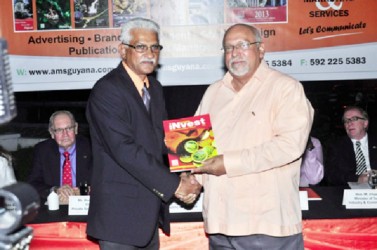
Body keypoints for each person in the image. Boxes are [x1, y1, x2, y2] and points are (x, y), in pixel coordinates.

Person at [191, 23, 313, 249]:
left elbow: (289, 146)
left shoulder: (286, 88)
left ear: (261, 50)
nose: (235, 53)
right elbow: (199, 148)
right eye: (228, 48)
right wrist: (191, 178)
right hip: (220, 225)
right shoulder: (213, 92)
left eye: (242, 45)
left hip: (266, 227)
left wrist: (228, 163)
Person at [85, 17, 201, 249]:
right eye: (140, 47)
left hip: (148, 216)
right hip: (120, 218)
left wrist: (193, 168)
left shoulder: (154, 88)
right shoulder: (108, 89)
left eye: (154, 47)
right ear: (122, 50)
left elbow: (163, 141)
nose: (149, 53)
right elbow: (124, 150)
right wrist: (176, 185)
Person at [28, 110, 92, 203]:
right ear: (52, 133)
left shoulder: (92, 148)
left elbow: (105, 181)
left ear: (76, 128)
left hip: (85, 206)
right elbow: (32, 184)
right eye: (59, 130)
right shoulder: (42, 150)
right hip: (55, 206)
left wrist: (83, 191)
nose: (65, 134)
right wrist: (55, 190)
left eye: (69, 128)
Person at [325, 106, 377, 186]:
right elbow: (330, 175)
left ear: (365, 123)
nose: (349, 123)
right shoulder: (337, 146)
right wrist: (357, 179)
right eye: (346, 121)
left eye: (354, 119)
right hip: (349, 191)